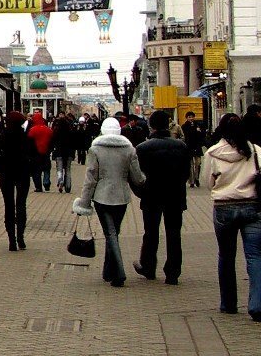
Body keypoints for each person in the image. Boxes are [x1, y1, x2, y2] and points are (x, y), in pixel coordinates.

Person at [205, 112, 261, 321]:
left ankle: (229, 303)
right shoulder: (254, 150)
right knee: (254, 256)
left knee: (226, 256)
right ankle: (258, 306)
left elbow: (208, 182)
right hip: (252, 207)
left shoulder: (213, 153)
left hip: (224, 207)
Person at [75, 116, 146, 287]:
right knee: (114, 232)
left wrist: (84, 202)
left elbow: (91, 177)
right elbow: (138, 178)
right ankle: (109, 271)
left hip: (102, 196)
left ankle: (119, 273)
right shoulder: (129, 149)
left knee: (110, 234)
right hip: (121, 197)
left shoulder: (95, 149)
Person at [134, 110, 191, 285]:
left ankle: (148, 267)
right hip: (175, 196)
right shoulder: (181, 146)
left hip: (151, 196)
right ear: (168, 125)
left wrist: (142, 192)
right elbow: (186, 173)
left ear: (151, 126)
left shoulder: (142, 148)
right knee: (174, 233)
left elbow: (138, 176)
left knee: (150, 233)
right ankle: (173, 272)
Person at [0, 112, 33, 251]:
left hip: (6, 174)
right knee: (21, 205)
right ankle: (21, 237)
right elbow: (33, 155)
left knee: (8, 206)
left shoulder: (2, 138)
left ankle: (12, 240)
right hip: (22, 174)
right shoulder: (26, 138)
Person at [27, 111, 53, 192]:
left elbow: (29, 142)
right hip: (46, 153)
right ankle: (46, 183)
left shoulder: (32, 130)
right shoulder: (48, 130)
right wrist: (50, 150)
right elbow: (52, 141)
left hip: (36, 154)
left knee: (36, 171)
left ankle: (38, 187)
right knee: (46, 168)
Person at [183, 116, 206, 188]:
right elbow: (185, 136)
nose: (191, 118)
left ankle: (197, 178)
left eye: (192, 117)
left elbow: (203, 135)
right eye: (189, 117)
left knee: (198, 163)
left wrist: (200, 131)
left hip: (197, 147)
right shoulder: (184, 126)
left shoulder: (198, 125)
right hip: (188, 148)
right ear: (186, 118)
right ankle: (191, 181)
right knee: (190, 165)